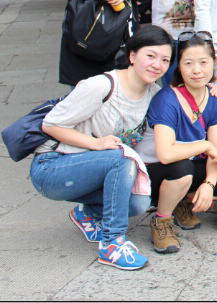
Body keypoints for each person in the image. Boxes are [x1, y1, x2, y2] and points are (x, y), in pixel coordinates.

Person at [30, 26, 173, 270]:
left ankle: (88, 214)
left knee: (138, 202)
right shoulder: (101, 86)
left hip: (97, 169)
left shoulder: (154, 93)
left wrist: (208, 92)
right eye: (150, 56)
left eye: (165, 60)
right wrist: (96, 143)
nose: (157, 65)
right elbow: (50, 125)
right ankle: (112, 244)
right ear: (132, 56)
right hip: (52, 167)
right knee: (121, 158)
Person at [134, 32, 217, 255]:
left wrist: (209, 184)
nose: (196, 70)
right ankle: (162, 220)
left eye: (203, 62)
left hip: (184, 165)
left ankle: (179, 199)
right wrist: (205, 146)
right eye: (188, 63)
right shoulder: (167, 100)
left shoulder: (214, 99)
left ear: (215, 62)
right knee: (182, 168)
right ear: (178, 66)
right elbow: (166, 154)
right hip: (149, 172)